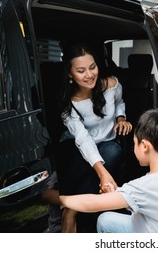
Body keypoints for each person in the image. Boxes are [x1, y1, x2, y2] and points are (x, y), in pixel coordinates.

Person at [60, 108, 158, 233]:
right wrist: (115, 194)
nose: (133, 149)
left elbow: (91, 204)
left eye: (134, 144)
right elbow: (146, 199)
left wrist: (61, 200)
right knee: (105, 220)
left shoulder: (143, 186)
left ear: (144, 146)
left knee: (104, 221)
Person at [56, 41, 133, 232]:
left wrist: (121, 118)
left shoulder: (112, 84)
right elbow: (83, 140)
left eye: (92, 67)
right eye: (81, 71)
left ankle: (70, 210)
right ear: (70, 74)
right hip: (79, 149)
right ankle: (72, 208)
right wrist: (103, 174)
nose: (89, 75)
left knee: (113, 150)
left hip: (107, 147)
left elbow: (120, 102)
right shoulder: (69, 105)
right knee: (87, 158)